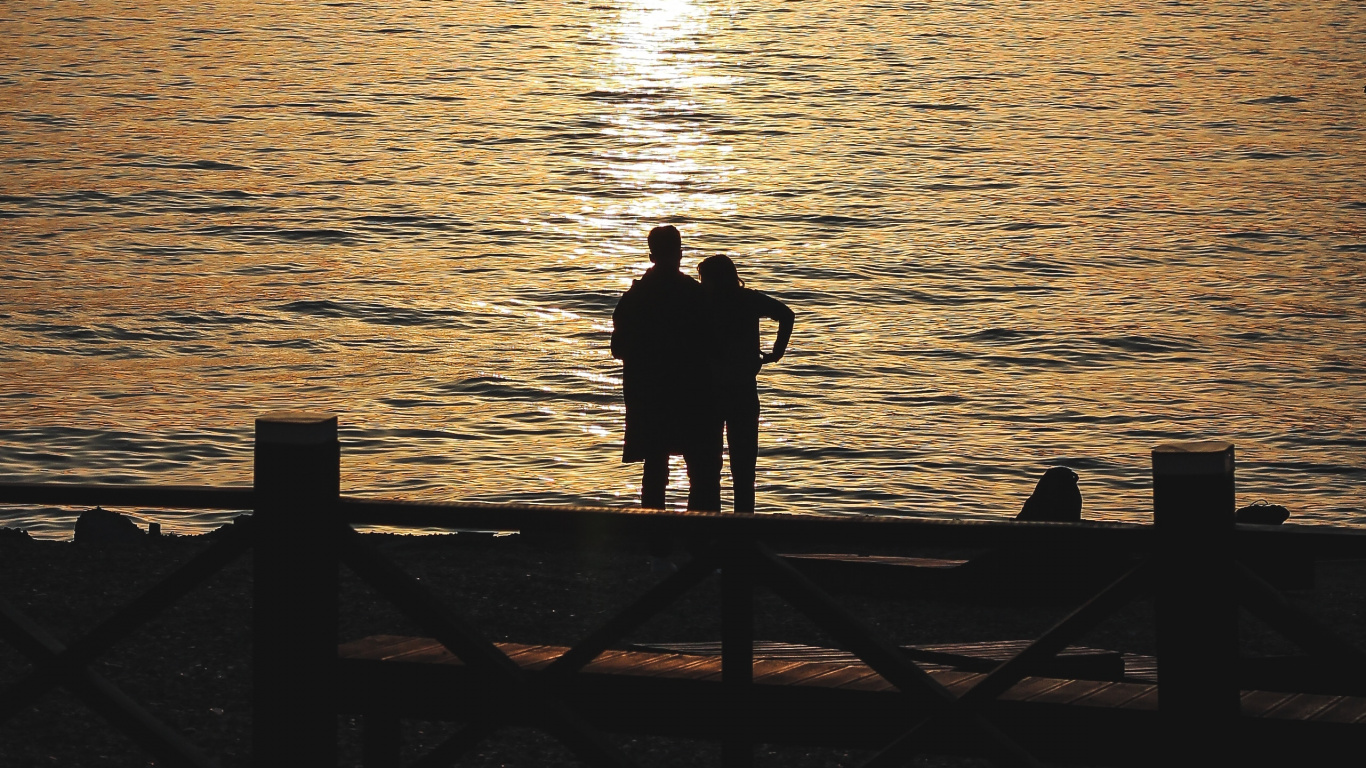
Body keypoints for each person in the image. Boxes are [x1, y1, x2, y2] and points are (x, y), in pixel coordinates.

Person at [611, 226, 721, 511]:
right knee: (699, 469)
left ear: (651, 256)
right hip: (691, 391)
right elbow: (713, 342)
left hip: (649, 393)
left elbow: (618, 348)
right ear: (680, 253)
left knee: (655, 466)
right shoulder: (695, 295)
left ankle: (655, 537)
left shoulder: (634, 298)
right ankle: (698, 537)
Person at [697, 255, 794, 514]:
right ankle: (743, 529)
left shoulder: (704, 302)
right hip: (742, 389)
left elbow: (787, 315)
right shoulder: (748, 300)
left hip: (712, 392)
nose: (702, 283)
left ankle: (713, 529)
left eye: (704, 278)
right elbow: (786, 315)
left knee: (710, 469)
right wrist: (776, 352)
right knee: (743, 469)